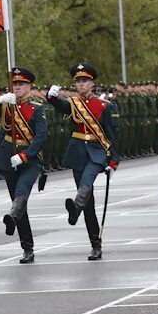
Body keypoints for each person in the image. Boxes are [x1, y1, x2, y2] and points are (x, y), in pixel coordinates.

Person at [46, 63, 119, 261]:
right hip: (78, 151)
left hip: (97, 152)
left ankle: (75, 208)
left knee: (87, 182)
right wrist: (51, 96)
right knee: (89, 203)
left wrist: (113, 161)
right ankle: (95, 244)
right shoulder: (72, 103)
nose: (81, 84)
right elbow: (57, 104)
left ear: (92, 83)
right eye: (78, 81)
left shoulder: (105, 106)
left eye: (84, 81)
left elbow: (112, 135)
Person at [0, 68, 49, 264]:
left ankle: (12, 216)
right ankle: (27, 247)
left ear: (29, 87)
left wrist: (25, 156)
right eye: (15, 84)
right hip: (9, 158)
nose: (18, 87)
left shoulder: (37, 108)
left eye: (22, 84)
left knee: (22, 191)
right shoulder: (6, 105)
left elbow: (41, 137)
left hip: (30, 159)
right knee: (19, 203)